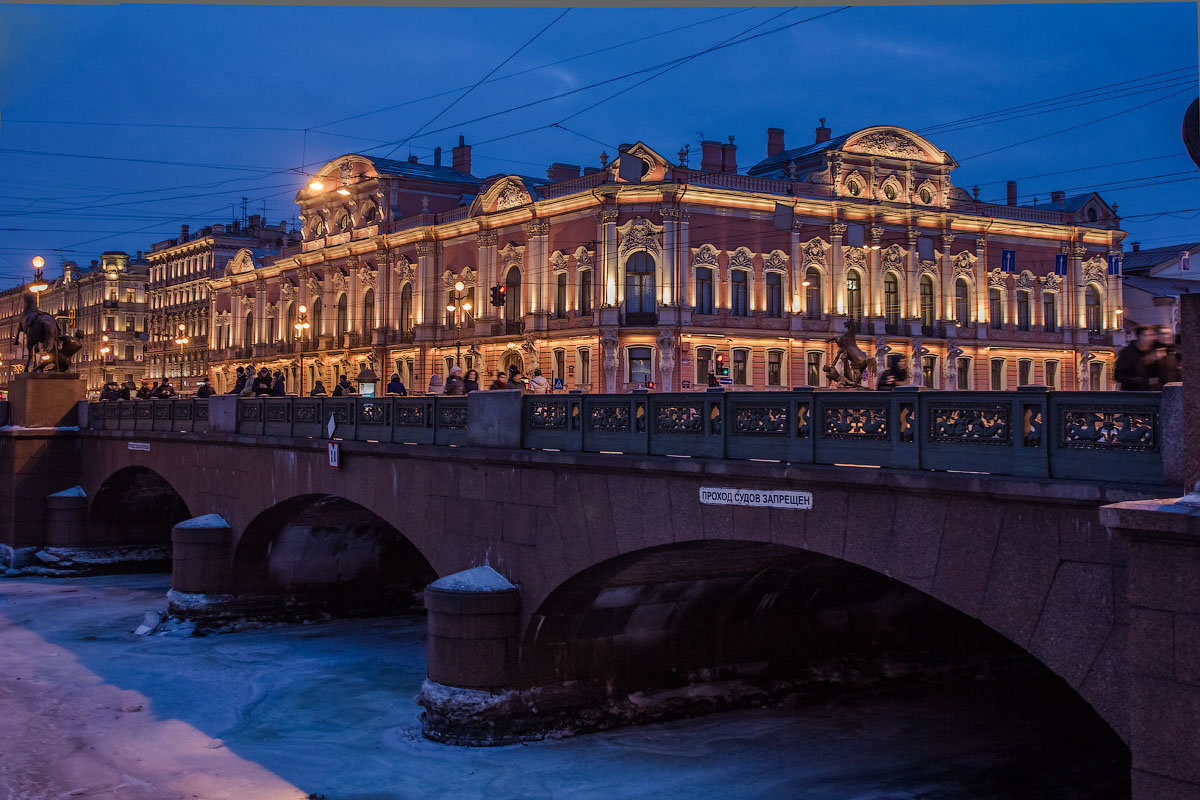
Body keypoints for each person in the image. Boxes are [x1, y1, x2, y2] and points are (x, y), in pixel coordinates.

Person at [1114, 325, 1161, 391]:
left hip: (1150, 394)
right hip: (1133, 394)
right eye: (1147, 335)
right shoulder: (1128, 352)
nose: (1150, 338)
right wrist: (1143, 381)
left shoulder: (1152, 351)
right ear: (1139, 336)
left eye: (1152, 335)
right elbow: (1119, 376)